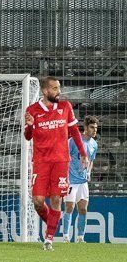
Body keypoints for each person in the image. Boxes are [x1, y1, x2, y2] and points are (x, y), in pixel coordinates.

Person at [24, 76, 88, 251]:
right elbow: (28, 136)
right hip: (41, 161)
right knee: (37, 201)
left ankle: (49, 239)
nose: (58, 91)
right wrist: (29, 125)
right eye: (54, 88)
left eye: (59, 88)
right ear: (45, 91)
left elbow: (74, 131)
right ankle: (53, 221)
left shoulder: (66, 107)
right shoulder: (32, 110)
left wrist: (83, 153)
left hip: (60, 161)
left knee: (55, 200)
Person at [62, 116, 99, 243]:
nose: (95, 130)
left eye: (96, 128)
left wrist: (88, 172)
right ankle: (66, 237)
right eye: (92, 127)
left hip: (83, 182)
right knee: (69, 207)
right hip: (71, 180)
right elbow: (64, 157)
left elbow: (91, 160)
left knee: (83, 209)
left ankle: (80, 237)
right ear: (85, 127)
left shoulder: (94, 144)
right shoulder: (73, 141)